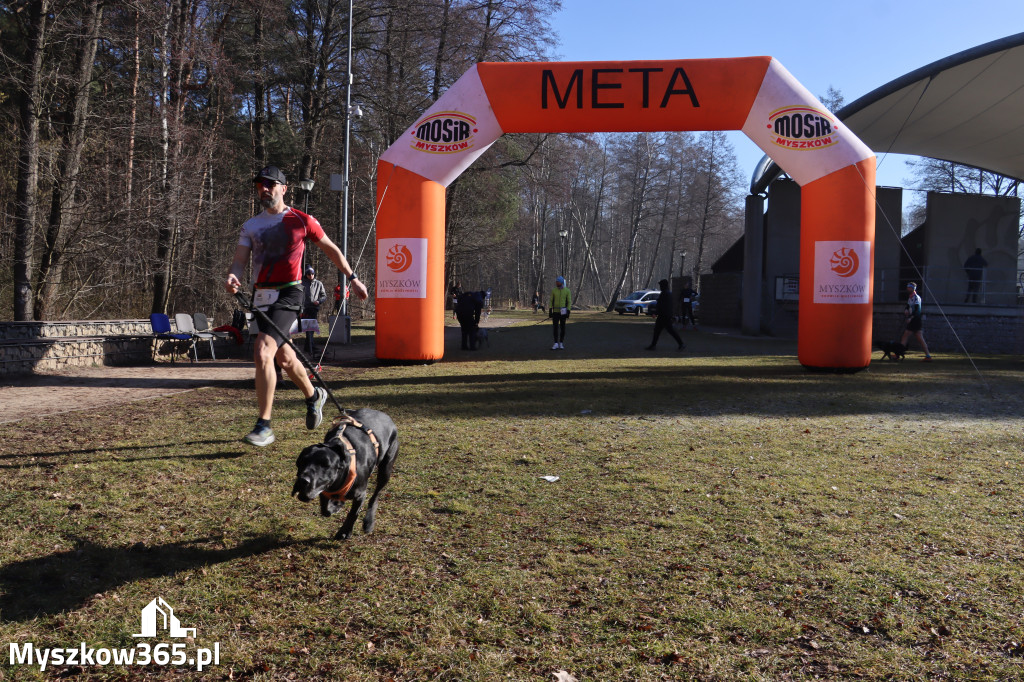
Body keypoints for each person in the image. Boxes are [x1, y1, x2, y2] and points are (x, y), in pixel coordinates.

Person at [226, 165, 369, 447]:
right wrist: (234, 276)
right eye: (259, 185)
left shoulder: (302, 220)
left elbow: (331, 249)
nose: (264, 189)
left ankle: (264, 425)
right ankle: (314, 395)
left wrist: (352, 278)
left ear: (284, 188)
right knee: (284, 358)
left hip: (290, 293)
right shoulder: (251, 225)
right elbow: (240, 260)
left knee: (263, 351)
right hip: (261, 296)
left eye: (270, 184)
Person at [646, 279, 685, 351]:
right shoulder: (668, 293)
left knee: (660, 330)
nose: (660, 286)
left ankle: (653, 345)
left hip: (663, 316)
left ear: (663, 285)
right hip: (666, 315)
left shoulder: (664, 293)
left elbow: (661, 305)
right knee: (667, 330)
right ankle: (681, 344)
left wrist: (656, 313)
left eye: (661, 285)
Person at [899, 282, 932, 362]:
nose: (908, 289)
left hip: (916, 320)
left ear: (913, 289)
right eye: (907, 287)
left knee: (918, 338)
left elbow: (917, 310)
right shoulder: (910, 297)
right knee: (906, 336)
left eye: (909, 287)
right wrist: (906, 310)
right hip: (913, 320)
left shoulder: (916, 298)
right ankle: (899, 353)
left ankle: (928, 356)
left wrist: (911, 317)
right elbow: (908, 306)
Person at [301, 266, 327, 354]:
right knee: (307, 328)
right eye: (309, 274)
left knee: (311, 328)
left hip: (314, 308)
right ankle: (309, 346)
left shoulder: (319, 283)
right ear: (306, 275)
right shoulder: (302, 283)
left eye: (312, 274)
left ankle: (309, 346)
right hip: (304, 308)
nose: (311, 276)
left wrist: (319, 301)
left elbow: (324, 296)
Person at [549, 276, 571, 350]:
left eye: (558, 282)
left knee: (562, 328)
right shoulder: (554, 290)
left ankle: (561, 343)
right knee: (555, 328)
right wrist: (550, 310)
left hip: (563, 312)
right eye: (556, 282)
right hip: (555, 312)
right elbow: (551, 300)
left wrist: (568, 311)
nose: (556, 283)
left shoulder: (567, 291)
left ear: (561, 283)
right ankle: (555, 343)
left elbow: (569, 302)